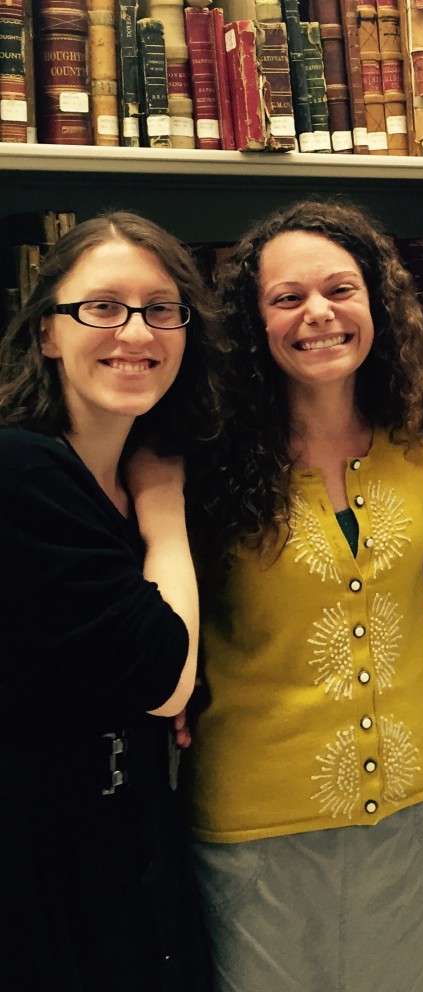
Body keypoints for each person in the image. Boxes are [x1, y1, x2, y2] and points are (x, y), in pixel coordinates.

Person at [182, 198, 423, 992]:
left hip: (421, 812)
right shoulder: (202, 466)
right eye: (287, 298)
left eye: (341, 290)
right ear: (253, 322)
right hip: (258, 827)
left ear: (377, 304)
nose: (318, 314)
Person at [0, 211, 223, 990]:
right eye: (102, 307)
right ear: (47, 333)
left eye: (161, 308)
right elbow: (163, 677)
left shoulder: (132, 474)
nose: (136, 332)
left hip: (133, 846)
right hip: (37, 874)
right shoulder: (21, 472)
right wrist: (163, 507)